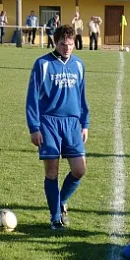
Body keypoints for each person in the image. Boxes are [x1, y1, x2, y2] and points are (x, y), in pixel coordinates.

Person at [26, 25, 89, 230]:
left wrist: (84, 123)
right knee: (52, 172)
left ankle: (60, 202)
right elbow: (32, 98)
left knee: (79, 170)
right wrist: (34, 127)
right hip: (48, 123)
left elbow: (82, 96)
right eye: (63, 44)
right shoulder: (42, 64)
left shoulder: (78, 64)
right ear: (55, 42)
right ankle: (55, 217)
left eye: (70, 44)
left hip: (72, 124)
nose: (67, 48)